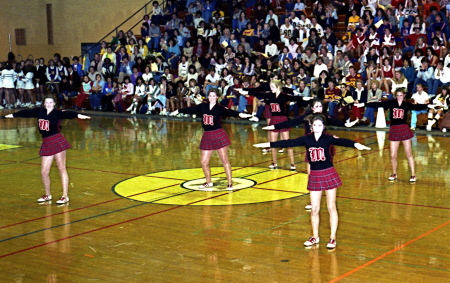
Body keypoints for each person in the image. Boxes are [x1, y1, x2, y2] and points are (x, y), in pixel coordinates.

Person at [254, 114, 370, 249]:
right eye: (315, 125)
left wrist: (356, 144)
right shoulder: (307, 139)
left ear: (324, 126)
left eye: (320, 125)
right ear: (311, 126)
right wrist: (268, 144)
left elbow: (343, 141)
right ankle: (315, 236)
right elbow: (288, 143)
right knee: (314, 209)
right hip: (314, 175)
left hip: (328, 173)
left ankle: (332, 238)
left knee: (331, 207)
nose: (317, 128)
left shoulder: (327, 138)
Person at [4, 95, 90, 204]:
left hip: (57, 140)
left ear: (54, 103)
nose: (48, 104)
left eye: (50, 102)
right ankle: (47, 195)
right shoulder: (40, 111)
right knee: (44, 172)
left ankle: (65, 196)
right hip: (46, 142)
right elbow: (26, 112)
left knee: (61, 168)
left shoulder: (57, 113)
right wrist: (12, 115)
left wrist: (79, 115)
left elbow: (68, 114)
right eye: (46, 102)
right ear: (44, 103)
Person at [170, 89, 251, 190]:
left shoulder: (220, 108)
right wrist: (178, 110)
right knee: (204, 162)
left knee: (224, 160)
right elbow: (192, 109)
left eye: (214, 96)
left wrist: (241, 114)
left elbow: (230, 112)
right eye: (210, 96)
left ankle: (230, 183)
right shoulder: (203, 106)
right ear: (208, 97)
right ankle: (209, 182)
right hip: (207, 135)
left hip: (218, 134)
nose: (212, 98)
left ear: (217, 97)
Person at [362, 88, 428, 182]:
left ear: (404, 95)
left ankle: (413, 175)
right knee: (393, 155)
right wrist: (365, 104)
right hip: (394, 129)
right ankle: (394, 173)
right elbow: (379, 104)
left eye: (401, 95)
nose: (399, 97)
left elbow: (417, 107)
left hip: (404, 128)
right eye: (397, 95)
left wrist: (428, 105)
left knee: (408, 153)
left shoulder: (406, 104)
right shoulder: (391, 103)